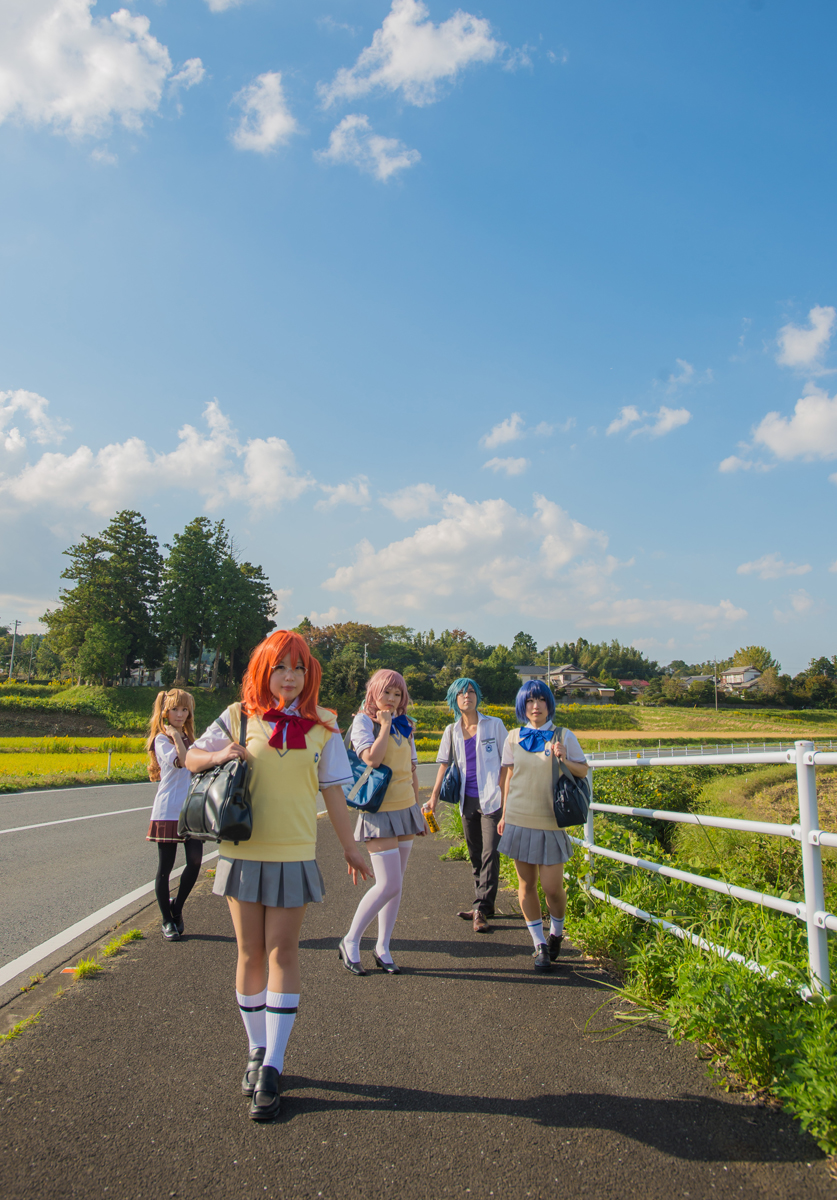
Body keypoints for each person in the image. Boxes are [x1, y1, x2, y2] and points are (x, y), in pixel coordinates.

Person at [185, 630, 369, 1122]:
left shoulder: (325, 725)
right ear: (264, 670)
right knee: (248, 952)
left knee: (282, 952)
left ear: (308, 675)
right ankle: (254, 1048)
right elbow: (190, 758)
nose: (289, 677)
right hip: (242, 850)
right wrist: (223, 753)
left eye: (298, 668)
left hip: (293, 851)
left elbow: (333, 791)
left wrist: (351, 848)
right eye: (280, 667)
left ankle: (273, 1063)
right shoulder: (238, 715)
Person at [339, 669, 426, 976]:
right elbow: (372, 760)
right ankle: (350, 940)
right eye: (386, 692)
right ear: (373, 692)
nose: (391, 698)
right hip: (378, 810)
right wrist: (385, 726)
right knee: (387, 883)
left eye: (397, 693)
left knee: (396, 885)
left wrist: (420, 812)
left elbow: (412, 770)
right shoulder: (364, 721)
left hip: (405, 808)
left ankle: (383, 946)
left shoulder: (407, 726)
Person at [497, 680, 588, 973]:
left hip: (550, 821)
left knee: (552, 887)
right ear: (522, 707)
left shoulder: (563, 735)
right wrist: (503, 813)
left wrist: (563, 756)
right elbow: (510, 778)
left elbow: (583, 769)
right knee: (526, 885)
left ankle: (557, 933)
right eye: (529, 702)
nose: (535, 707)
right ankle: (539, 944)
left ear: (549, 704)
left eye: (540, 701)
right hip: (518, 818)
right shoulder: (512, 737)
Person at [425, 678, 508, 933]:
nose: (467, 696)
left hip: (493, 799)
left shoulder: (494, 725)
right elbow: (443, 765)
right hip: (467, 800)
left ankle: (480, 909)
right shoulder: (451, 731)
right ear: (454, 700)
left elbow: (508, 764)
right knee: (475, 855)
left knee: (490, 853)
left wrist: (506, 800)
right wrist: (433, 798)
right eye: (461, 693)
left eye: (471, 691)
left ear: (477, 696)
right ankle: (485, 904)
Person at [145, 688, 201, 942]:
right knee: (165, 869)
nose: (180, 714)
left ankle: (176, 908)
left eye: (185, 709)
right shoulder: (161, 739)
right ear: (166, 711)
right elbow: (183, 761)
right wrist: (177, 737)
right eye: (175, 709)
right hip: (168, 809)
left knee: (196, 861)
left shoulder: (190, 737)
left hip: (189, 810)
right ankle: (166, 921)